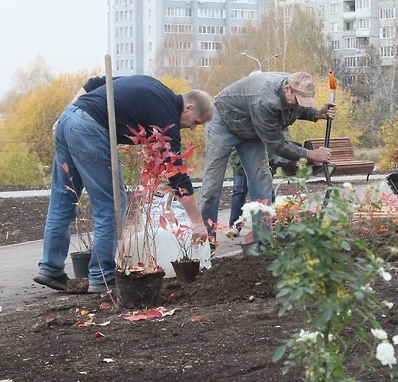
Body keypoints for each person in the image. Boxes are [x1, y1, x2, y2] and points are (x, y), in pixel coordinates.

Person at [34, 75, 214, 294]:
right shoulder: (167, 116)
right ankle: (102, 275)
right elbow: (176, 174)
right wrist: (196, 221)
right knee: (112, 204)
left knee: (64, 198)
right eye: (196, 121)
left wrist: (70, 114)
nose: (194, 128)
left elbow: (93, 84)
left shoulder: (152, 85)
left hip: (68, 119)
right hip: (88, 128)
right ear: (189, 107)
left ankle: (50, 268)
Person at [198, 72, 336, 246]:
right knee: (212, 187)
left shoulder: (296, 87)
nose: (298, 105)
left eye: (304, 102)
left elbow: (296, 108)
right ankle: (205, 244)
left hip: (251, 129)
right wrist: (310, 154)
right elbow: (276, 144)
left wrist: (316, 113)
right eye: (298, 101)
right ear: (287, 89)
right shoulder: (264, 99)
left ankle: (262, 244)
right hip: (224, 123)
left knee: (262, 182)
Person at [225, 149, 248, 237]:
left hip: (261, 157)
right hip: (240, 159)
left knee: (264, 191)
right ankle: (234, 226)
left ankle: (269, 225)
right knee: (239, 190)